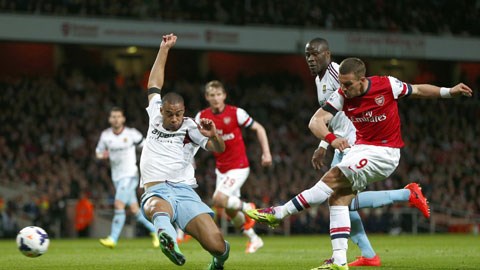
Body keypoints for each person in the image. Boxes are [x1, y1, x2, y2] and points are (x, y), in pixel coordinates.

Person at [248, 57, 473, 270]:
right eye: (342, 84)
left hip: (385, 152)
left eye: (348, 84)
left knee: (332, 179)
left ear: (362, 80)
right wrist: (331, 140)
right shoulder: (341, 95)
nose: (344, 89)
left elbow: (418, 89)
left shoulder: (386, 85)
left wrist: (448, 91)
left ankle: (279, 213)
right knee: (338, 198)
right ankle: (339, 260)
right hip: (360, 148)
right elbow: (315, 121)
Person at [306, 38, 430, 267]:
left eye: (315, 54)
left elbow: (348, 107)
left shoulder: (337, 73)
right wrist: (324, 144)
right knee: (342, 201)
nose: (311, 59)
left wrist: (327, 144)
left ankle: (405, 197)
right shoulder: (319, 79)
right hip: (340, 142)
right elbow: (329, 115)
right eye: (308, 55)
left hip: (352, 141)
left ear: (327, 54)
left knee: (339, 199)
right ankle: (368, 254)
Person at [139, 33, 230, 269]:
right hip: (157, 189)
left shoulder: (191, 127)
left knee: (217, 245)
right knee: (155, 207)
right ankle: (167, 238)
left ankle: (218, 262)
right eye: (169, 114)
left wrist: (215, 135)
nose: (174, 118)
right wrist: (164, 49)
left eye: (178, 114)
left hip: (184, 191)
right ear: (162, 111)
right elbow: (154, 84)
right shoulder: (154, 115)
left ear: (184, 111)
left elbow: (219, 149)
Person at [195, 80, 272, 253]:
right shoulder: (201, 117)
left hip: (239, 166)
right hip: (221, 168)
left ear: (224, 95)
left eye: (218, 94)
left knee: (218, 199)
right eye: (212, 95)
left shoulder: (236, 113)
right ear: (207, 97)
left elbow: (259, 128)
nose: (216, 98)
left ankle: (248, 208)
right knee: (230, 211)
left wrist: (266, 152)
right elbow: (192, 138)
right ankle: (254, 239)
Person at [95, 107, 159, 248]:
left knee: (119, 205)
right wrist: (102, 155)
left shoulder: (131, 134)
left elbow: (146, 146)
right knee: (135, 210)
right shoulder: (106, 136)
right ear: (110, 119)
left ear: (123, 119)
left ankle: (113, 239)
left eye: (119, 116)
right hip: (116, 177)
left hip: (130, 175)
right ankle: (157, 232)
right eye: (113, 116)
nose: (116, 119)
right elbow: (98, 152)